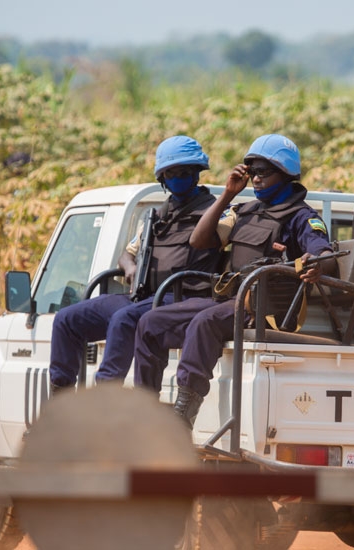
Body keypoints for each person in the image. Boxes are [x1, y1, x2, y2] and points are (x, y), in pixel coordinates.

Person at [133, 134, 336, 427]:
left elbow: (323, 253)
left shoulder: (301, 217)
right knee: (150, 323)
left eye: (263, 172)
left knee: (206, 321)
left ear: (287, 174)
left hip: (264, 310)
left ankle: (183, 415)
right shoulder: (243, 210)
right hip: (230, 300)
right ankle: (145, 410)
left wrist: (317, 266)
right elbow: (199, 240)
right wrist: (228, 194)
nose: (255, 179)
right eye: (251, 171)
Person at [49, 135, 220, 391]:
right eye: (171, 172)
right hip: (144, 296)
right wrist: (130, 267)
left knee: (124, 318)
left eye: (185, 171)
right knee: (66, 319)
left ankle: (105, 396)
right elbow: (127, 253)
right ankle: (61, 402)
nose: (178, 177)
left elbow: (232, 243)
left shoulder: (216, 213)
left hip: (181, 298)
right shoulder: (158, 217)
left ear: (198, 173)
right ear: (162, 178)